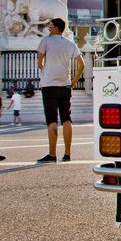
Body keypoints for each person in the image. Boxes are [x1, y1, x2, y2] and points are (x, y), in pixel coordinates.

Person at [36, 18, 84, 163]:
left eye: (50, 26)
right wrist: (74, 80)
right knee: (66, 119)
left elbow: (39, 63)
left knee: (52, 120)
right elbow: (82, 64)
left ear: (56, 28)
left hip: (50, 85)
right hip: (65, 85)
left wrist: (46, 71)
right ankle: (67, 153)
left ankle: (52, 154)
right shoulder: (70, 43)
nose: (48, 29)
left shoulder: (46, 41)